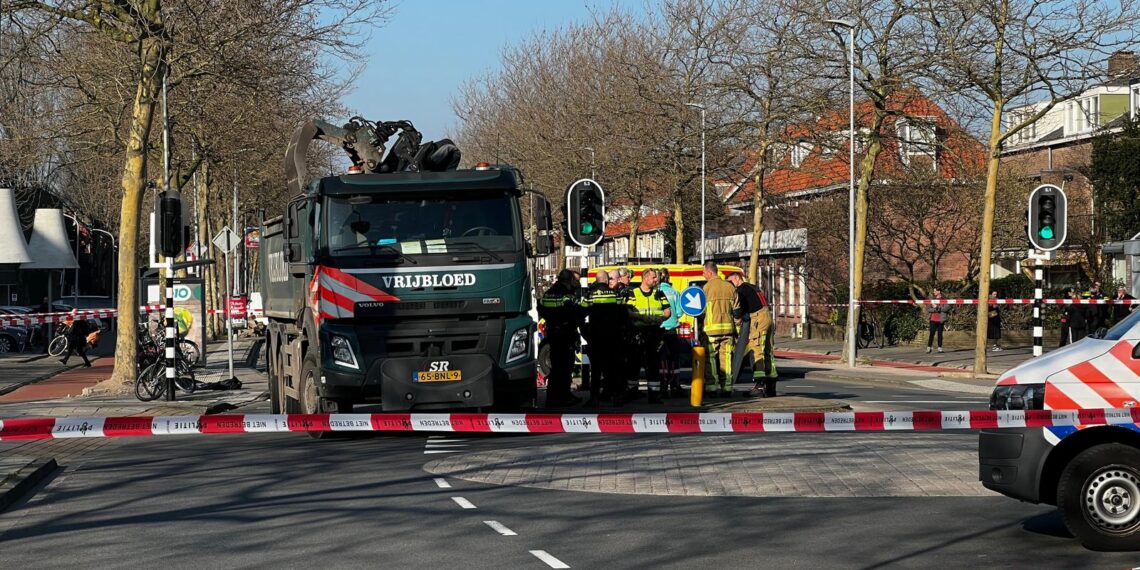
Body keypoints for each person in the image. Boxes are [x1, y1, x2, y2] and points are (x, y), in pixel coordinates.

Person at [538, 269, 584, 408]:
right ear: (569, 280)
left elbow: (541, 308)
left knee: (556, 366)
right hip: (565, 333)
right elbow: (576, 313)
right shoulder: (567, 295)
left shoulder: (548, 293)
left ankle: (554, 397)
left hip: (553, 332)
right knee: (565, 367)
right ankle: (562, 396)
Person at [624, 268, 671, 403]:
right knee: (634, 363)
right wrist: (642, 317)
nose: (656, 280)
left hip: (654, 332)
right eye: (653, 278)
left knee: (653, 364)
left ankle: (654, 394)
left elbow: (668, 311)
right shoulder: (633, 293)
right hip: (638, 333)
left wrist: (659, 319)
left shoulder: (659, 293)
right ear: (645, 278)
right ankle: (632, 391)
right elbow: (627, 311)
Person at [728, 272, 777, 397]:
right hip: (768, 317)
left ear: (737, 278)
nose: (731, 285)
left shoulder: (741, 290)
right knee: (768, 351)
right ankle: (770, 385)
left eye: (731, 281)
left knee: (756, 350)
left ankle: (759, 386)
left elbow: (739, 310)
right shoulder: (753, 287)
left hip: (758, 318)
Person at [583, 270, 627, 406]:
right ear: (607, 281)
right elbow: (624, 316)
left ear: (597, 281)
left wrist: (586, 334)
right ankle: (617, 397)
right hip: (614, 337)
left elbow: (580, 314)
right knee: (614, 368)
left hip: (596, 337)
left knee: (596, 370)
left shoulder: (590, 296)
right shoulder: (616, 295)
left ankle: (594, 398)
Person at [701, 262, 739, 398]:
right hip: (728, 329)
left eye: (703, 272)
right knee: (727, 358)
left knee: (710, 358)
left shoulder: (706, 288)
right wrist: (738, 329)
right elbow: (737, 310)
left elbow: (701, 311)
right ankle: (727, 387)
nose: (703, 275)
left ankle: (711, 387)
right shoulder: (730, 287)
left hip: (711, 330)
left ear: (710, 273)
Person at [657, 268, 684, 397]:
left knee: (662, 360)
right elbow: (679, 312)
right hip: (672, 330)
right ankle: (674, 386)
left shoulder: (656, 292)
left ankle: (662, 387)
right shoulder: (675, 292)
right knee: (674, 359)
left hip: (659, 329)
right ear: (668, 278)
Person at [926, 288, 950, 354]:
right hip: (933, 319)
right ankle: (929, 347)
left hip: (940, 320)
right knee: (931, 333)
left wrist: (937, 307)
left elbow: (946, 308)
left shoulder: (944, 300)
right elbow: (928, 309)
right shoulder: (932, 300)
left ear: (939, 291)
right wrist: (935, 309)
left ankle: (940, 348)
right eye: (933, 291)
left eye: (935, 291)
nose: (934, 292)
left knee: (940, 334)